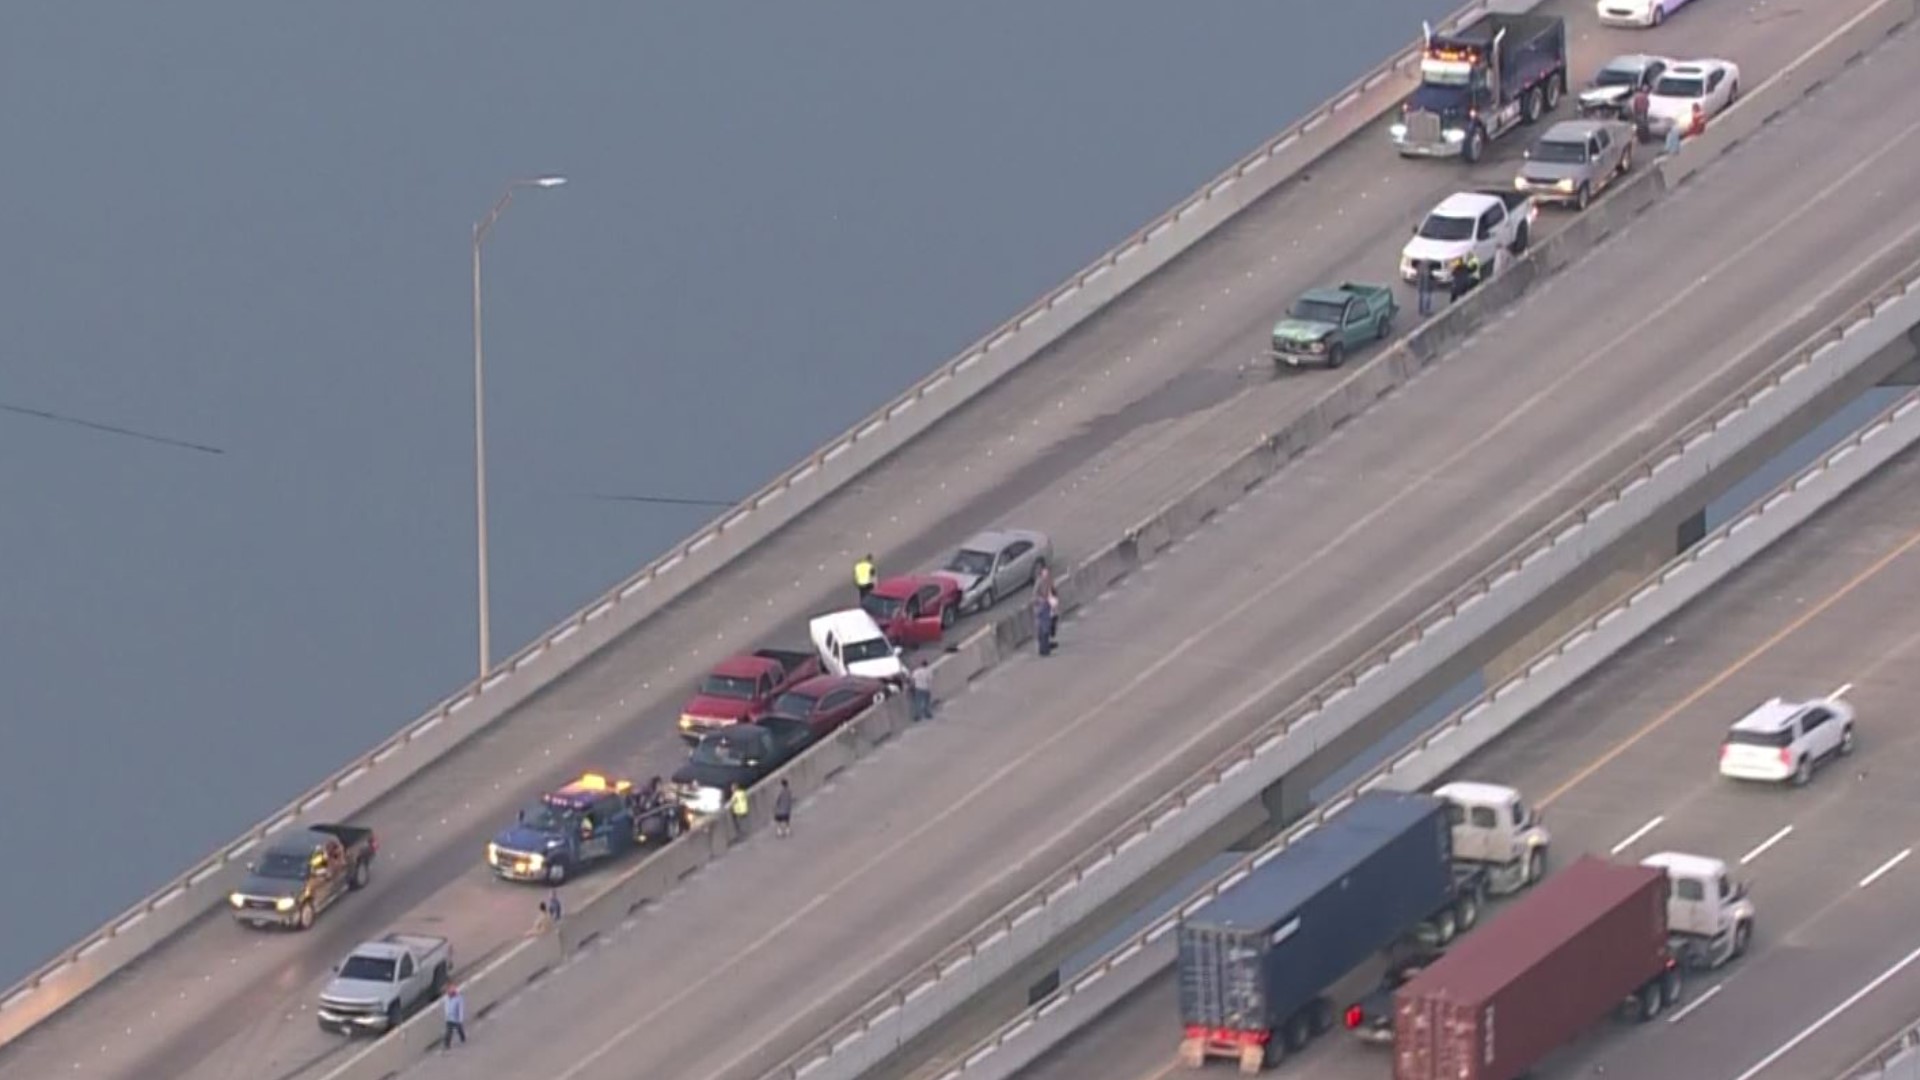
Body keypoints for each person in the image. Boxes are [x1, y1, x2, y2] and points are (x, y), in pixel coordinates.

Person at [442, 984, 467, 1049]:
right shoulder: (446, 998)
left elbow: (460, 1009)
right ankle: (447, 1045)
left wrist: (460, 1019)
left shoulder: (458, 998)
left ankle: (462, 1037)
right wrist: (446, 1015)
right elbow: (446, 1007)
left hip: (456, 1018)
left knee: (459, 1029)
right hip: (449, 1018)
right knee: (448, 1032)